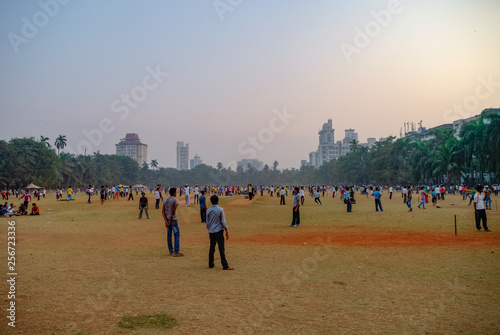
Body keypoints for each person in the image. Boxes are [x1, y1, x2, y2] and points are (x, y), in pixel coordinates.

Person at [206, 195, 233, 270]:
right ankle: (225, 265)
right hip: (219, 231)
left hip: (211, 231)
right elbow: (223, 222)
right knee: (221, 248)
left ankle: (210, 264)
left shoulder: (208, 210)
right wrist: (226, 231)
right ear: (218, 201)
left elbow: (207, 223)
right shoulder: (220, 210)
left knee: (212, 247)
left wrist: (209, 231)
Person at [162, 188, 183, 257]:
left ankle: (171, 250)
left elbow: (163, 211)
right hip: (173, 219)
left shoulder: (166, 200)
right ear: (174, 193)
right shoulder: (175, 200)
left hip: (167, 219)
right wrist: (170, 220)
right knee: (176, 234)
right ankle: (176, 251)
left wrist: (166, 221)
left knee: (169, 235)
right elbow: (173, 211)